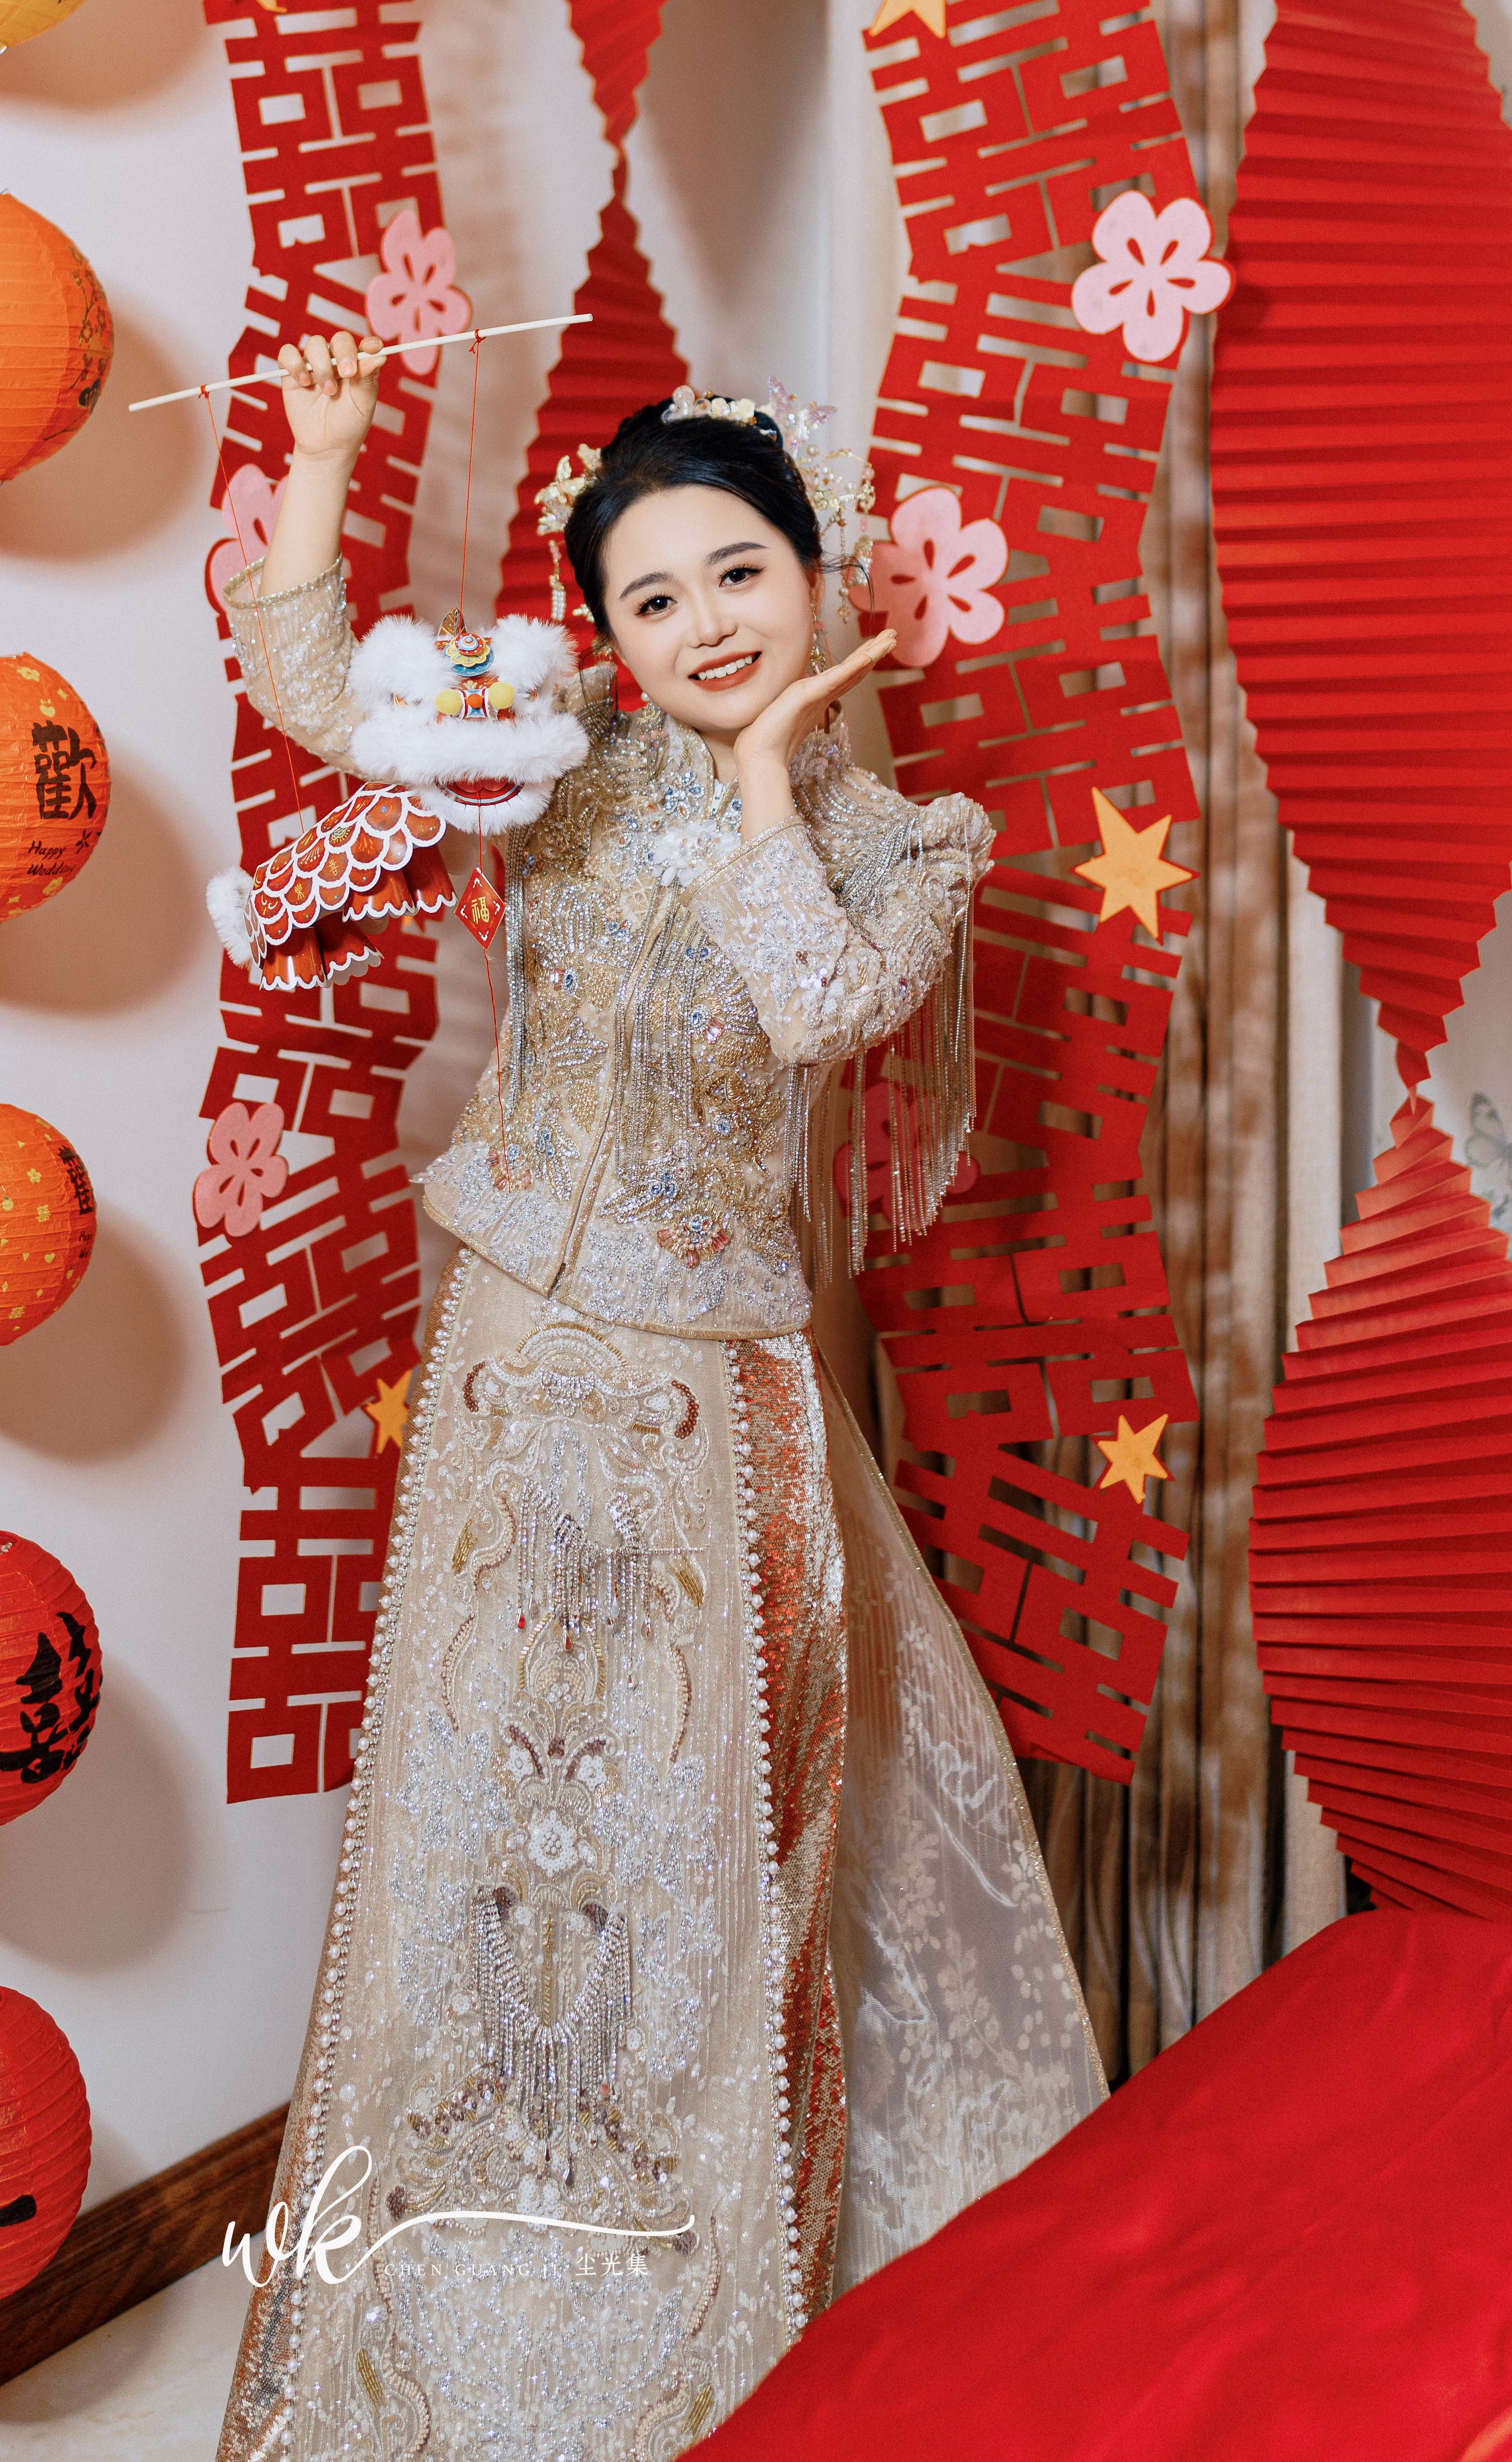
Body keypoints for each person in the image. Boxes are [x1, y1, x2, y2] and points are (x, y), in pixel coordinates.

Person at [215, 335, 1104, 2462]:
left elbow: (818, 1013)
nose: (703, 627)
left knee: (690, 1847)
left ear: (818, 572)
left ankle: (689, 2313)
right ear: (601, 630)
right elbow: (323, 700)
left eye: (736, 576)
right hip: (511, 1360)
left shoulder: (904, 843)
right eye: (651, 599)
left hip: (715, 1395)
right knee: (472, 1819)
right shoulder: (556, 756)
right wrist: (322, 462)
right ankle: (455, 2273)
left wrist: (774, 784)